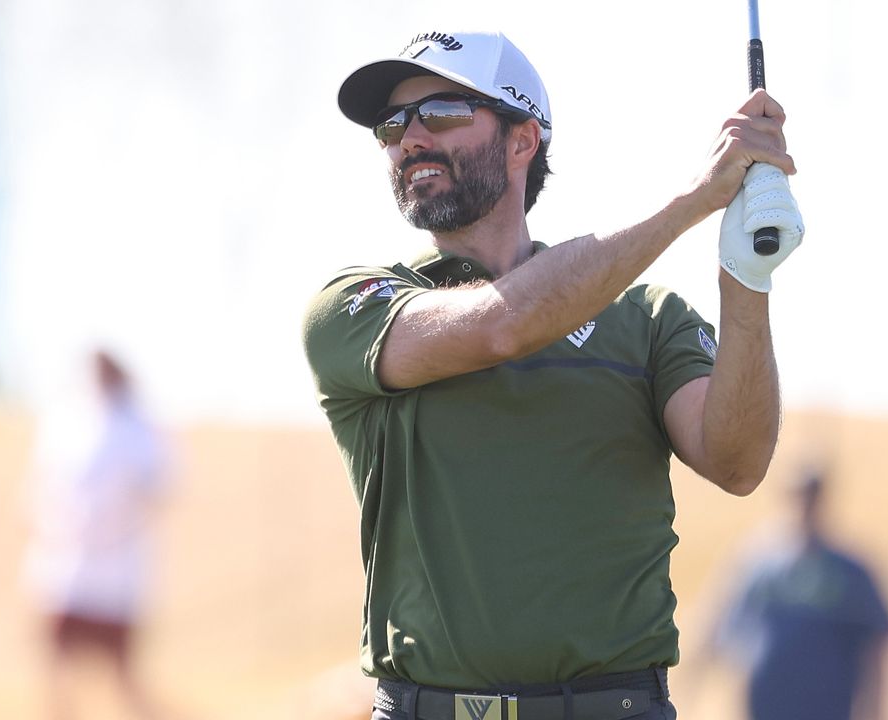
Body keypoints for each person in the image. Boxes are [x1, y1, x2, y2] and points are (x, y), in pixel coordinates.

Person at [301, 29, 805, 720]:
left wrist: (747, 274)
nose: (409, 137)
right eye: (392, 125)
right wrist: (695, 198)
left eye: (441, 113)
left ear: (521, 140)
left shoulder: (645, 318)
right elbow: (503, 324)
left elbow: (739, 461)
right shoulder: (356, 306)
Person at [23, 349, 172, 720]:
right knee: (56, 672)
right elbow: (40, 486)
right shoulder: (66, 422)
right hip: (66, 568)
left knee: (122, 677)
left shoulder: (137, 427)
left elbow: (158, 488)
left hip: (117, 571)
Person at [698, 471, 888, 720]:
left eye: (811, 497)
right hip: (765, 706)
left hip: (827, 708)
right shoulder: (758, 563)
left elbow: (875, 646)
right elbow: (719, 622)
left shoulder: (849, 572)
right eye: (798, 496)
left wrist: (875, 711)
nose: (804, 506)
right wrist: (695, 676)